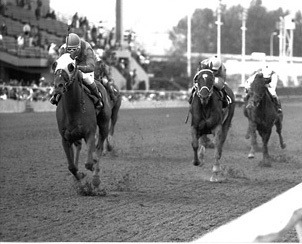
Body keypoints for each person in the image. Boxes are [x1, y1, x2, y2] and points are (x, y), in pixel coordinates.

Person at [50, 33, 103, 109]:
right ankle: (55, 94)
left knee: (87, 79)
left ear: (79, 47)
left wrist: (78, 67)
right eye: (69, 49)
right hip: (71, 65)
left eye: (74, 49)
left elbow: (91, 67)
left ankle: (98, 97)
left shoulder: (87, 49)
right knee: (60, 75)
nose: (72, 52)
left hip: (84, 64)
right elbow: (60, 65)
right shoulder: (63, 49)